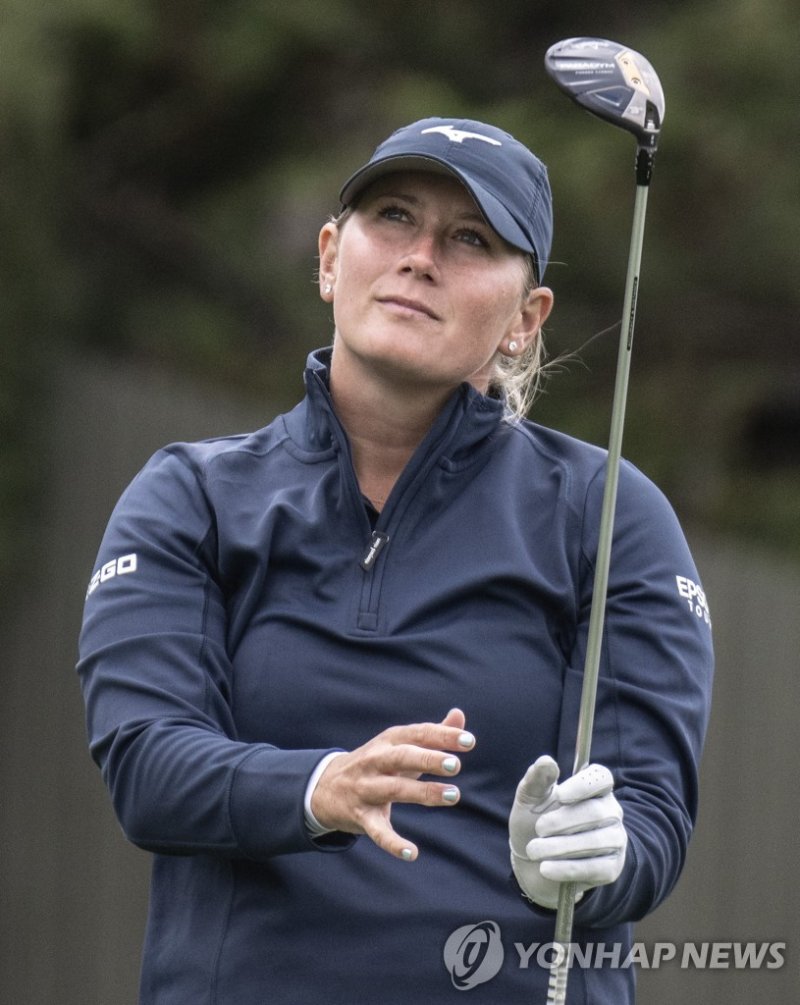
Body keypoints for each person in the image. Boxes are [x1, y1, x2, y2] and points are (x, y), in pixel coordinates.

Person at [77, 117, 714, 1004]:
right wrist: (318, 785)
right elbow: (150, 767)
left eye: (470, 239)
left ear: (526, 320)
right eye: (394, 217)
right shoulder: (190, 496)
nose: (421, 257)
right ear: (333, 257)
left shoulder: (610, 514)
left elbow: (647, 816)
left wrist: (592, 859)